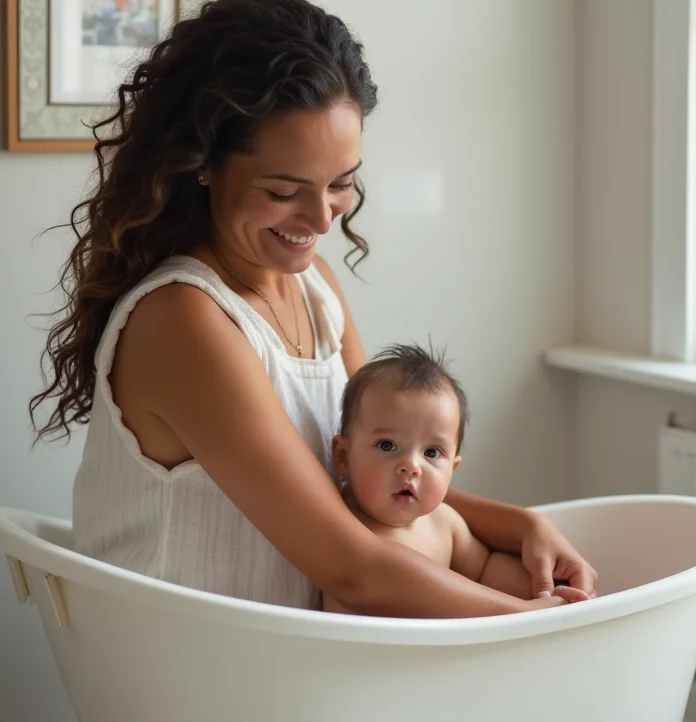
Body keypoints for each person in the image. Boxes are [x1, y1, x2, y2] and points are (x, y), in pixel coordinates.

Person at [30, 0, 597, 619]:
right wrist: (544, 625)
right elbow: (348, 567)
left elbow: (369, 468)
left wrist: (520, 525)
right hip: (188, 666)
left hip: (301, 655)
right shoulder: (183, 320)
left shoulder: (315, 288)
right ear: (202, 167)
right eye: (283, 191)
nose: (323, 217)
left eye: (341, 183)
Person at [323, 344, 592, 614]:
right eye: (387, 445)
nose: (411, 466)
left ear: (452, 470)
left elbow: (486, 572)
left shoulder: (445, 523)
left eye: (431, 452)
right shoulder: (345, 528)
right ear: (344, 457)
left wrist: (551, 592)